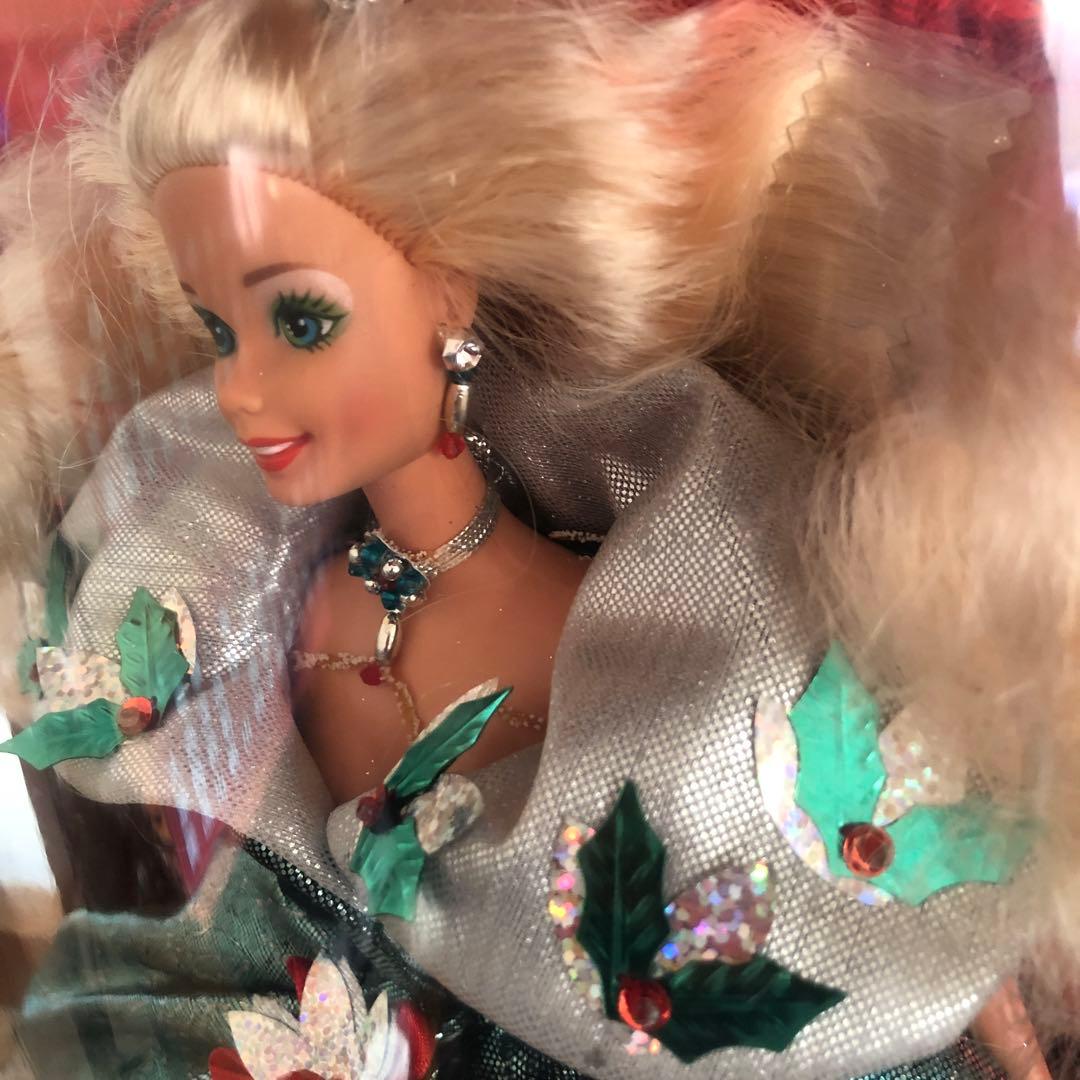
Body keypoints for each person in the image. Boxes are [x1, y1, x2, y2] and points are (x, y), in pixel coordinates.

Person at [0, 0, 1075, 1077]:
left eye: (302, 322)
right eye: (217, 329)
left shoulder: (663, 625)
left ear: (447, 298)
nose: (239, 388)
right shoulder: (230, 596)